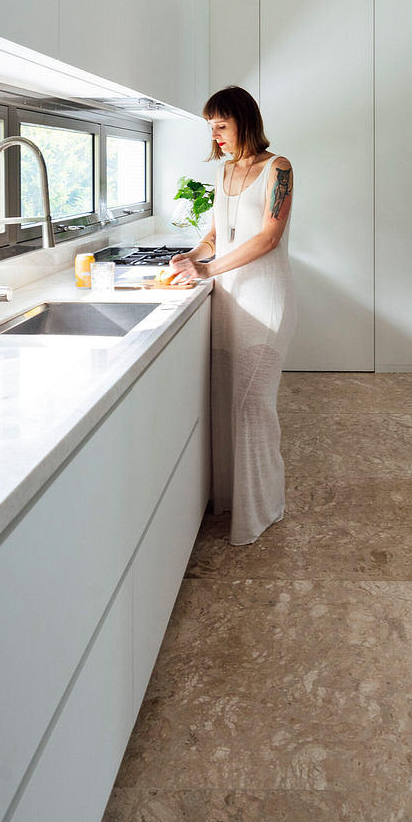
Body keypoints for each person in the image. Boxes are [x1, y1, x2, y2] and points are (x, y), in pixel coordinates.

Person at [170, 86, 296, 545]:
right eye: (211, 127)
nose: (216, 134)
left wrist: (208, 268)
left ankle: (262, 508)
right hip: (228, 298)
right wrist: (189, 256)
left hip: (265, 298)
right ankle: (232, 500)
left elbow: (268, 239)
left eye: (221, 124)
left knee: (252, 404)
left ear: (244, 120)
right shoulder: (224, 172)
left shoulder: (277, 168)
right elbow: (215, 234)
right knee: (228, 400)